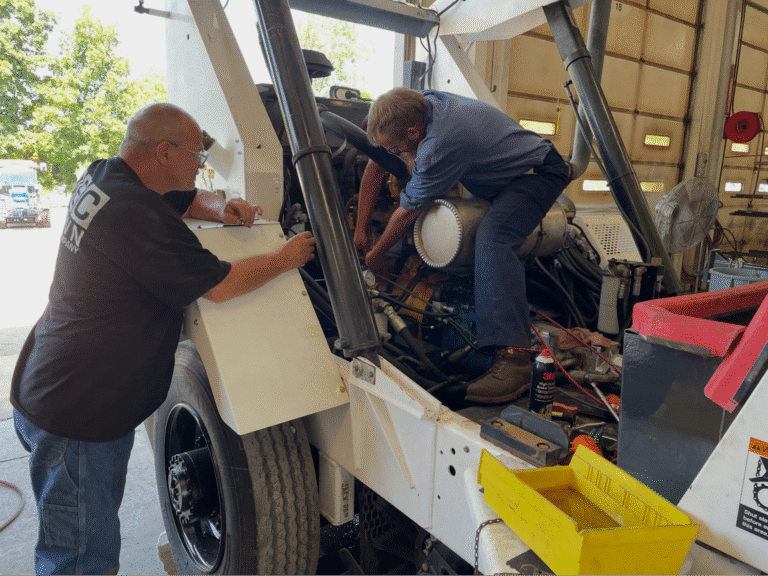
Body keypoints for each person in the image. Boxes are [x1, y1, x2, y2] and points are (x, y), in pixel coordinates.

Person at [10, 102, 316, 575]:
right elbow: (219, 285)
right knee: (80, 559)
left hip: (59, 386)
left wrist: (222, 207)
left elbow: (188, 199)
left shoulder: (107, 177)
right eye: (197, 156)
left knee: (83, 540)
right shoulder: (136, 216)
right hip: (77, 415)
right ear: (165, 152)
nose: (201, 165)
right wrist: (285, 258)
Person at [355, 88, 571, 404]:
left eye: (399, 149)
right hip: (494, 175)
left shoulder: (443, 141)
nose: (396, 154)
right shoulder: (418, 105)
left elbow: (406, 213)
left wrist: (375, 255)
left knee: (493, 239)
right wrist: (361, 229)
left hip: (533, 175)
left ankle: (515, 359)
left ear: (414, 132)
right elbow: (377, 163)